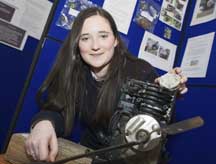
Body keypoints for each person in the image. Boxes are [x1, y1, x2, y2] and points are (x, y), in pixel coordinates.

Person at [24, 7, 188, 164]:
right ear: (77, 44)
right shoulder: (74, 72)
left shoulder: (140, 71)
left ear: (115, 40)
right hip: (93, 151)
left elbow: (156, 127)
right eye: (85, 38)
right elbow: (56, 107)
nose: (95, 46)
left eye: (103, 36)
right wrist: (43, 123)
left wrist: (163, 95)